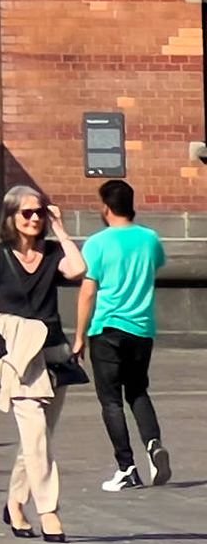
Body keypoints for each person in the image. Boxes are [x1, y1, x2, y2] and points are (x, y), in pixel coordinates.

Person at [0, 188, 74, 540]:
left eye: (39, 212)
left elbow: (79, 269)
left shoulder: (51, 252)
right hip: (20, 356)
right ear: (10, 217)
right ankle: (49, 511)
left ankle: (15, 503)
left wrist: (61, 229)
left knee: (38, 438)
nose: (34, 218)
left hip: (54, 352)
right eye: (26, 213)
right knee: (35, 433)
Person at [73, 175, 167, 491]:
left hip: (108, 326)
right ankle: (153, 444)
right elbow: (155, 268)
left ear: (106, 207)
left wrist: (79, 336)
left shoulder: (98, 243)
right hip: (142, 328)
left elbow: (88, 292)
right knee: (138, 390)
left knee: (111, 400)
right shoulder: (150, 239)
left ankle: (127, 467)